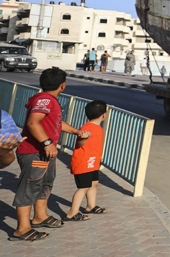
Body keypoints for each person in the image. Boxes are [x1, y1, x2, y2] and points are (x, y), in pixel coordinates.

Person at [10, 68, 90, 242]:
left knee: (44, 184)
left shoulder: (49, 100)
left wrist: (76, 131)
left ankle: (40, 216)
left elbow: (58, 123)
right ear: (63, 85)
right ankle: (22, 229)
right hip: (34, 152)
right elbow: (33, 122)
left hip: (45, 154)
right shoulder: (45, 100)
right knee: (30, 188)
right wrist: (47, 142)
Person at [65, 100, 108, 221]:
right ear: (103, 115)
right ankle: (72, 213)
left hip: (92, 161)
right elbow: (79, 143)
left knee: (94, 183)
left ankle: (91, 206)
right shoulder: (87, 128)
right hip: (83, 162)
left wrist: (99, 156)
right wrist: (84, 137)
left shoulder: (96, 128)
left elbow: (95, 145)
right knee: (83, 187)